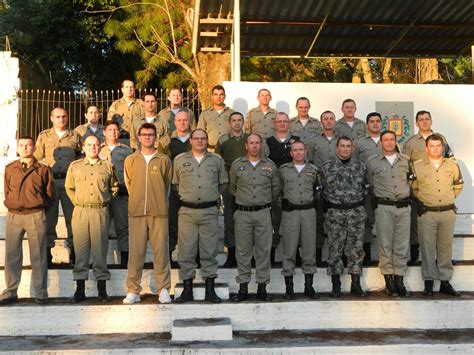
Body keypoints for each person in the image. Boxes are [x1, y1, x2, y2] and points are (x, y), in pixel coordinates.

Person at [172, 129, 228, 303]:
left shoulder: (216, 160)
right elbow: (175, 185)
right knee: (186, 251)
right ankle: (187, 289)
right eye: (196, 138)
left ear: (206, 141)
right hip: (187, 212)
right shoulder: (180, 160)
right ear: (190, 140)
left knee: (209, 251)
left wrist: (208, 195)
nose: (200, 141)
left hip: (209, 212)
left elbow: (223, 183)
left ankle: (210, 290)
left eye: (203, 138)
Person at [0, 137, 55, 305]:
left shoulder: (43, 169)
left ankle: (40, 292)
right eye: (21, 145)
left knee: (38, 255)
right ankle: (11, 291)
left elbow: (50, 194)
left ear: (34, 147)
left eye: (28, 145)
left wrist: (39, 207)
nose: (25, 148)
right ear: (17, 148)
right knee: (12, 255)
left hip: (35, 215)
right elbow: (7, 190)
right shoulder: (10, 169)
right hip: (14, 215)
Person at [122, 123, 173, 304]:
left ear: (155, 137)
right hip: (136, 213)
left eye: (151, 134)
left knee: (161, 252)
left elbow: (167, 184)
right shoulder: (131, 160)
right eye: (144, 134)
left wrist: (159, 201)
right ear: (139, 136)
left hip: (159, 213)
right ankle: (133, 290)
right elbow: (129, 183)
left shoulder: (164, 160)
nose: (147, 137)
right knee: (136, 253)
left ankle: (163, 289)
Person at [65, 135, 119, 303]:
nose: (93, 148)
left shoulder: (108, 166)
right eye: (89, 145)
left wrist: (104, 200)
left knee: (100, 252)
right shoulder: (75, 166)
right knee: (80, 252)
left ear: (100, 147)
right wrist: (78, 202)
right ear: (83, 147)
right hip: (80, 212)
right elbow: (69, 187)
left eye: (96, 145)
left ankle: (101, 290)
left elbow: (114, 187)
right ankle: (79, 290)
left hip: (99, 212)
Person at [230, 133, 279, 302]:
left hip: (263, 213)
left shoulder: (270, 166)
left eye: (257, 143)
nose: (254, 146)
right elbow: (233, 188)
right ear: (246, 145)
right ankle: (243, 287)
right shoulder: (237, 165)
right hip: (243, 213)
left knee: (263, 251)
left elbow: (275, 190)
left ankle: (262, 288)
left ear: (261, 145)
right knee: (243, 251)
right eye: (251, 143)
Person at [412, 134, 463, 297]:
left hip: (447, 212)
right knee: (427, 248)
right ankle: (428, 282)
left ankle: (445, 282)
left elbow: (458, 186)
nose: (435, 149)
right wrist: (427, 199)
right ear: (426, 148)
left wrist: (446, 199)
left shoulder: (452, 165)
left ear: (442, 147)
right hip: (427, 213)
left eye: (438, 146)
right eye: (432, 146)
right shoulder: (417, 166)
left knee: (445, 248)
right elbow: (414, 188)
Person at [402, 110, 454, 265]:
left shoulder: (441, 139)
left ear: (431, 121)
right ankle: (414, 255)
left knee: (440, 231)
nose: (424, 122)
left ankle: (442, 259)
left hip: (439, 190)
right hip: (419, 191)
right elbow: (406, 166)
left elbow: (450, 161)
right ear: (416, 123)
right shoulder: (410, 143)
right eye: (421, 120)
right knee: (416, 226)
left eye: (427, 119)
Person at [367, 130, 413, 297]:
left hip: (403, 207)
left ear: (395, 141)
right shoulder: (372, 163)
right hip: (384, 207)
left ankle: (399, 279)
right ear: (380, 142)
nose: (388, 142)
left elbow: (411, 182)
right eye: (385, 140)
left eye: (391, 139)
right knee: (385, 243)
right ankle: (389, 280)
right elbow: (370, 185)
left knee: (401, 243)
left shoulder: (406, 161)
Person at [321, 136, 369, 298]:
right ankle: (336, 284)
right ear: (337, 148)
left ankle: (355, 283)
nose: (345, 149)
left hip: (355, 212)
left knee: (356, 249)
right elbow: (321, 191)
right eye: (342, 146)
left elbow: (366, 188)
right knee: (335, 249)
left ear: (352, 148)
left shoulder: (361, 166)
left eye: (348, 146)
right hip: (335, 213)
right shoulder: (327, 167)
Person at [34, 107, 82, 266]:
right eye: (58, 117)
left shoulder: (75, 136)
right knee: (49, 219)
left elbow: (81, 158)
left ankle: (74, 254)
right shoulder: (44, 136)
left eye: (64, 116)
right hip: (50, 183)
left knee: (73, 219)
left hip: (70, 183)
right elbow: (36, 158)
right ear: (51, 118)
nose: (61, 119)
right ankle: (47, 255)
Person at [279, 140, 321, 299]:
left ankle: (308, 286)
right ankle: (289, 288)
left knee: (309, 250)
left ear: (305, 151)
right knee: (289, 250)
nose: (298, 152)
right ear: (291, 153)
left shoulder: (314, 170)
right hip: (291, 213)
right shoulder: (283, 171)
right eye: (295, 150)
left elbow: (318, 192)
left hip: (309, 212)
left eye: (301, 150)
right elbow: (279, 190)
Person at [263, 112, 300, 266]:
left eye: (285, 121)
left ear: (289, 123)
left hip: (293, 188)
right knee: (273, 223)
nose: (282, 124)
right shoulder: (268, 142)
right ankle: (270, 255)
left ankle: (296, 254)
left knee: (294, 223)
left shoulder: (296, 141)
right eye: (279, 121)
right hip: (273, 189)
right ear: (274, 123)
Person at [305, 110, 339, 267]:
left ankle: (339, 256)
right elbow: (310, 162)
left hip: (340, 187)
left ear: (335, 121)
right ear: (321, 122)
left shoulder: (343, 140)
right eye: (325, 119)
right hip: (320, 187)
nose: (329, 121)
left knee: (338, 222)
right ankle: (318, 255)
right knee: (318, 221)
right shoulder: (313, 141)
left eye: (331, 119)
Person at [215, 112, 249, 268]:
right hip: (229, 185)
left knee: (247, 220)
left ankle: (247, 255)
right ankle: (231, 255)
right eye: (234, 120)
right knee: (229, 220)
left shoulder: (249, 139)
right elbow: (217, 162)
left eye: (239, 120)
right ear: (229, 123)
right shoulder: (223, 140)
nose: (236, 123)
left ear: (243, 122)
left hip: (247, 185)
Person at [99, 120, 133, 267]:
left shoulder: (126, 151)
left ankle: (124, 260)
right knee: (101, 228)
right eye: (110, 129)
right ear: (104, 133)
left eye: (115, 130)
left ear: (119, 132)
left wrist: (127, 187)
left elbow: (132, 172)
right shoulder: (98, 150)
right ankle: (101, 260)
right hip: (103, 196)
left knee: (123, 227)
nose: (113, 132)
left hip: (121, 195)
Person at [353, 112, 384, 265]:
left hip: (384, 188)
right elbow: (354, 163)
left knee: (383, 221)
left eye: (378, 121)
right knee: (366, 220)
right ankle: (366, 254)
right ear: (367, 125)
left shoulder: (388, 141)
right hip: (365, 188)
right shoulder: (359, 143)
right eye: (372, 121)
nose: (375, 124)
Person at [167, 110, 192, 265]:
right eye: (179, 120)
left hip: (192, 188)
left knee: (190, 223)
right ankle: (170, 254)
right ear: (174, 122)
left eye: (185, 120)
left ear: (189, 122)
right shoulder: (168, 141)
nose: (182, 122)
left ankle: (192, 256)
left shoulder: (195, 139)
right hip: (173, 187)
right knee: (172, 222)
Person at [197, 85, 234, 151]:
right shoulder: (205, 114)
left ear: (225, 96)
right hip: (210, 151)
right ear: (212, 97)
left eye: (221, 94)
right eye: (216, 94)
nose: (218, 97)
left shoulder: (231, 113)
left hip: (228, 150)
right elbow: (200, 133)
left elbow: (236, 132)